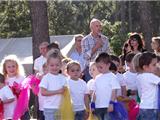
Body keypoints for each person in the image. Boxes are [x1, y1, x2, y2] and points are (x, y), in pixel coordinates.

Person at [1, 54, 30, 119]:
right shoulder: (4, 80)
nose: (11, 68)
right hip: (9, 107)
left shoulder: (21, 78)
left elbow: (26, 93)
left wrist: (19, 90)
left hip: (21, 105)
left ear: (17, 67)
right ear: (5, 68)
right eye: (9, 67)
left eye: (13, 66)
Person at [92, 52, 120, 120]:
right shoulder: (97, 78)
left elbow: (114, 91)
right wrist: (93, 103)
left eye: (100, 67)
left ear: (108, 65)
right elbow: (95, 92)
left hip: (108, 106)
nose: (98, 69)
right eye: (97, 67)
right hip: (98, 106)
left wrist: (111, 103)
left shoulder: (112, 77)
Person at [39, 52, 66, 120]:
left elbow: (66, 92)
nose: (54, 67)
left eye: (57, 65)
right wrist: (58, 91)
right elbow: (43, 92)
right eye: (52, 65)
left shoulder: (63, 78)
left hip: (61, 108)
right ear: (47, 65)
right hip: (50, 108)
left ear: (61, 65)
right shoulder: (46, 78)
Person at [134, 52, 160, 120]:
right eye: (154, 65)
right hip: (150, 108)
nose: (156, 67)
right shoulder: (150, 76)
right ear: (145, 67)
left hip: (144, 107)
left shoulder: (140, 76)